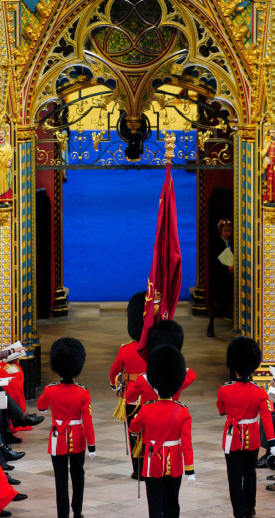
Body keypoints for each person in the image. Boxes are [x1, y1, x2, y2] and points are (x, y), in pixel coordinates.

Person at [129, 345, 195, 518]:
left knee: (154, 504)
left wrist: (138, 433)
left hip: (152, 462)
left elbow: (134, 428)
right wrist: (190, 469)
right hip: (174, 463)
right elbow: (187, 442)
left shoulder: (145, 409)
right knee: (172, 503)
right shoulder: (182, 410)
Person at [37, 337, 95, 518]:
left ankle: (63, 515)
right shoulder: (82, 391)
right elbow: (88, 421)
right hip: (77, 438)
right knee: (78, 476)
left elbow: (40, 406)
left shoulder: (50, 390)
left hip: (57, 439)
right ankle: (77, 512)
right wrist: (91, 445)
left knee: (60, 480)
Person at [217, 336, 275, 518]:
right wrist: (272, 443)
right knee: (250, 474)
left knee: (234, 477)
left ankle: (238, 512)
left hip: (232, 438)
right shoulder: (259, 391)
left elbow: (221, 409)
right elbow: (266, 418)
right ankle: (250, 508)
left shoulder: (224, 389)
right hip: (252, 438)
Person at [109, 291, 147, 479]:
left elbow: (114, 372)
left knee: (134, 434)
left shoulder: (125, 349)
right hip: (152, 397)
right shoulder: (156, 348)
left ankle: (137, 469)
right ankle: (149, 467)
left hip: (131, 397)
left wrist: (115, 386)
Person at [207, 218, 234, 337]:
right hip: (218, 278)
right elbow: (213, 261)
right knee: (215, 303)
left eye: (229, 231)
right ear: (220, 231)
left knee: (233, 301)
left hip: (231, 278)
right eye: (225, 231)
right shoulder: (215, 243)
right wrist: (226, 269)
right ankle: (211, 325)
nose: (228, 233)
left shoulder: (235, 243)